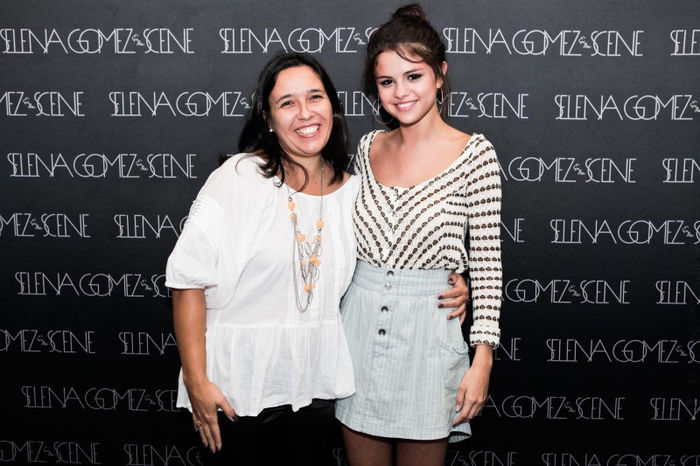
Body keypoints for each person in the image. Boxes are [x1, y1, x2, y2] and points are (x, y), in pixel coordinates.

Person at [165, 52, 468, 466]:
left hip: (316, 389)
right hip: (238, 389)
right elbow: (187, 282)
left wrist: (448, 280)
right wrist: (197, 382)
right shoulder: (240, 177)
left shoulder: (353, 192)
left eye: (315, 97)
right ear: (269, 119)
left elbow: (390, 254)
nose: (305, 113)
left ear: (332, 107)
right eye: (287, 102)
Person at [335, 5, 503, 466]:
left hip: (430, 338)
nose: (400, 92)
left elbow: (488, 264)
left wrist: (482, 357)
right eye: (387, 82)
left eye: (413, 77)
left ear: (440, 74)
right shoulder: (368, 148)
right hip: (359, 331)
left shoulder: (475, 155)